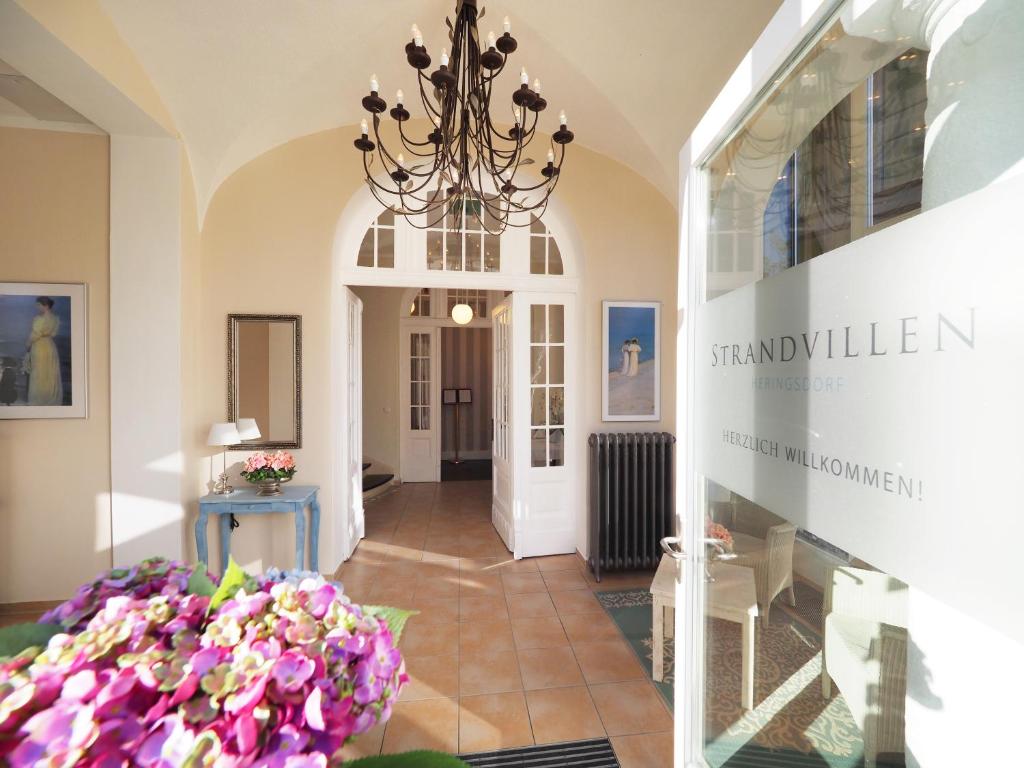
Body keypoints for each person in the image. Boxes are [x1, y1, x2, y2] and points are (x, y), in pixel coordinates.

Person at [25, 296, 63, 406]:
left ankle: (39, 399)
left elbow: (34, 335)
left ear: (46, 306)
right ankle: (49, 398)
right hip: (50, 346)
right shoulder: (55, 319)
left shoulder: (39, 319)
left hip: (39, 346)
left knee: (39, 372)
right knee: (49, 372)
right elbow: (54, 333)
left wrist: (27, 345)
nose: (37, 307)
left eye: (39, 305)